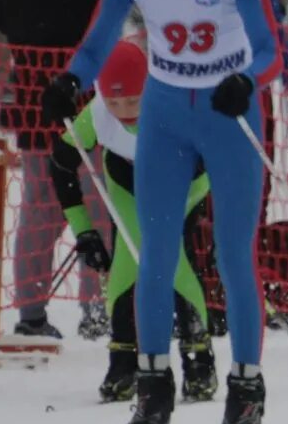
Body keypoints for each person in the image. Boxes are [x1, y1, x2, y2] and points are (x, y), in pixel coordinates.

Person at [46, 0, 282, 424]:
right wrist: (72, 79)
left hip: (229, 117)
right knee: (153, 250)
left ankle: (246, 390)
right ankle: (153, 389)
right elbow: (101, 36)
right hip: (166, 115)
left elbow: (271, 46)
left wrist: (247, 82)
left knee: (232, 253)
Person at [0, 0, 121, 340]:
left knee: (41, 205)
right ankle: (98, 304)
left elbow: (1, 10)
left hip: (26, 78)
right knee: (97, 195)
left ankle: (30, 313)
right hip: (78, 80)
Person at [50, 40, 218, 404]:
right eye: (114, 102)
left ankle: (197, 356)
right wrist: (84, 230)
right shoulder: (95, 114)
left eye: (133, 101)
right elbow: (61, 163)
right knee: (128, 257)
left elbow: (217, 150)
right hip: (127, 184)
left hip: (183, 181)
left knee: (173, 257)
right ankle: (124, 359)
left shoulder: (174, 103)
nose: (124, 111)